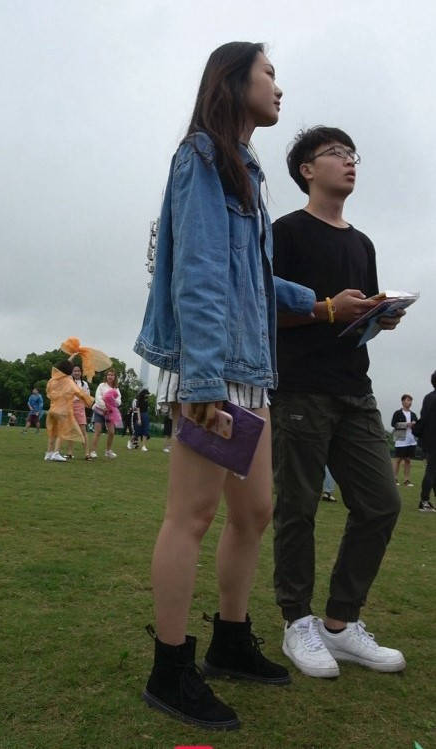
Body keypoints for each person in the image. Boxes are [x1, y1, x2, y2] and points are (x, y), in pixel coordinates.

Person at [133, 42, 330, 730]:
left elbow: (252, 275)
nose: (279, 86)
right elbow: (199, 271)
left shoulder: (245, 167)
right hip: (214, 368)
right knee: (190, 515)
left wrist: (325, 305)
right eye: (268, 72)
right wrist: (204, 380)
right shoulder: (202, 157)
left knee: (254, 513)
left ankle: (230, 639)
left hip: (249, 368)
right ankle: (169, 667)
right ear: (233, 78)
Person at [270, 126, 406, 679]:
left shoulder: (362, 243)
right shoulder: (285, 233)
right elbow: (263, 308)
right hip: (299, 387)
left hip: (355, 388)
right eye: (336, 154)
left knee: (381, 504)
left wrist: (376, 317)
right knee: (297, 508)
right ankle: (296, 621)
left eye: (353, 155)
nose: (350, 162)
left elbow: (354, 318)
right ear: (307, 170)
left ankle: (341, 623)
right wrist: (327, 308)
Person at [44, 360, 94, 461]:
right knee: (62, 432)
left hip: (52, 409)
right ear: (69, 371)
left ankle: (48, 453)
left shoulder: (52, 380)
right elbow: (79, 393)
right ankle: (56, 453)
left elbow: (48, 392)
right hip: (62, 410)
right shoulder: (68, 381)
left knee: (53, 432)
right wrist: (89, 401)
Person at [413, 371, 436, 511]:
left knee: (433, 470)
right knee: (432, 470)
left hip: (428, 439)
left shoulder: (428, 397)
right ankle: (424, 501)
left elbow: (424, 417)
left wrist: (417, 430)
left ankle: (425, 500)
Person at [90, 369, 121, 459]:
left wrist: (112, 404)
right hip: (99, 410)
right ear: (106, 376)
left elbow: (119, 401)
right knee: (98, 431)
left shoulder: (116, 388)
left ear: (115, 377)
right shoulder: (101, 386)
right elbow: (98, 397)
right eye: (109, 375)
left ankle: (108, 451)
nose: (110, 376)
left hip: (110, 412)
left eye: (112, 375)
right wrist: (104, 407)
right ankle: (93, 451)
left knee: (111, 432)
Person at [65, 364, 92, 460]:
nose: (77, 373)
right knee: (71, 430)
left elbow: (87, 396)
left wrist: (83, 404)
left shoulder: (84, 384)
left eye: (78, 371)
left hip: (80, 407)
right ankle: (69, 453)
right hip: (70, 406)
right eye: (75, 371)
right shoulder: (68, 382)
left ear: (81, 372)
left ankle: (87, 454)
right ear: (72, 372)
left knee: (83, 431)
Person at [391, 394, 418, 486]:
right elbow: (393, 424)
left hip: (411, 440)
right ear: (403, 402)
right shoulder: (397, 413)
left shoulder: (413, 414)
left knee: (408, 460)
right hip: (400, 438)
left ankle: (406, 480)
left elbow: (417, 426)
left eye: (410, 401)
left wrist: (415, 424)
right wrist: (406, 424)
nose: (409, 402)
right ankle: (394, 479)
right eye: (408, 400)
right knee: (398, 460)